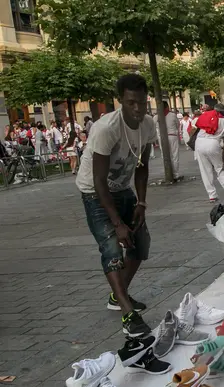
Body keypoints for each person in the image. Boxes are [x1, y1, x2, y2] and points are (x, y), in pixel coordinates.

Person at [75, 74, 157, 336]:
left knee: (140, 243)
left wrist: (141, 202)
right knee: (112, 247)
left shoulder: (147, 125)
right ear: (121, 100)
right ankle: (127, 314)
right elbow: (99, 180)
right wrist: (117, 222)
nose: (137, 109)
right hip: (95, 193)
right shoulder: (106, 128)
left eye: (142, 102)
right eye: (131, 103)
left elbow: (142, 167)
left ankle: (116, 295)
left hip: (123, 189)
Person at [192, 104, 224, 203]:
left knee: (205, 171)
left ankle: (212, 195)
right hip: (213, 143)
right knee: (219, 168)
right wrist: (223, 158)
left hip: (199, 143)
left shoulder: (205, 117)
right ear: (223, 112)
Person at [153, 101, 182, 181]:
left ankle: (168, 173)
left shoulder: (156, 117)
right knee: (174, 156)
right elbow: (178, 125)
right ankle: (175, 174)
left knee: (164, 156)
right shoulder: (172, 115)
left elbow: (152, 127)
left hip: (162, 138)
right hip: (172, 136)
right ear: (167, 107)